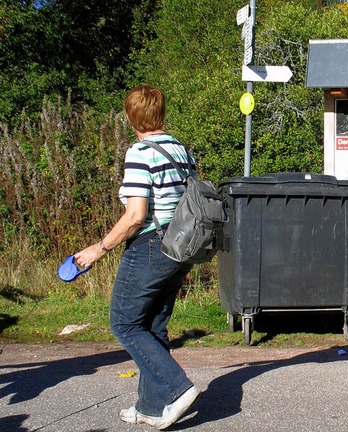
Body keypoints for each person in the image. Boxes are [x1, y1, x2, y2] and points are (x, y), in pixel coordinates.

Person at [74, 85, 200, 430]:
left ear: (131, 117)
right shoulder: (180, 150)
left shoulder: (141, 152)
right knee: (153, 325)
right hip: (180, 246)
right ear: (161, 113)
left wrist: (97, 250)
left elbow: (135, 215)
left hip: (150, 246)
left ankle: (177, 388)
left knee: (125, 323)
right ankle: (149, 405)